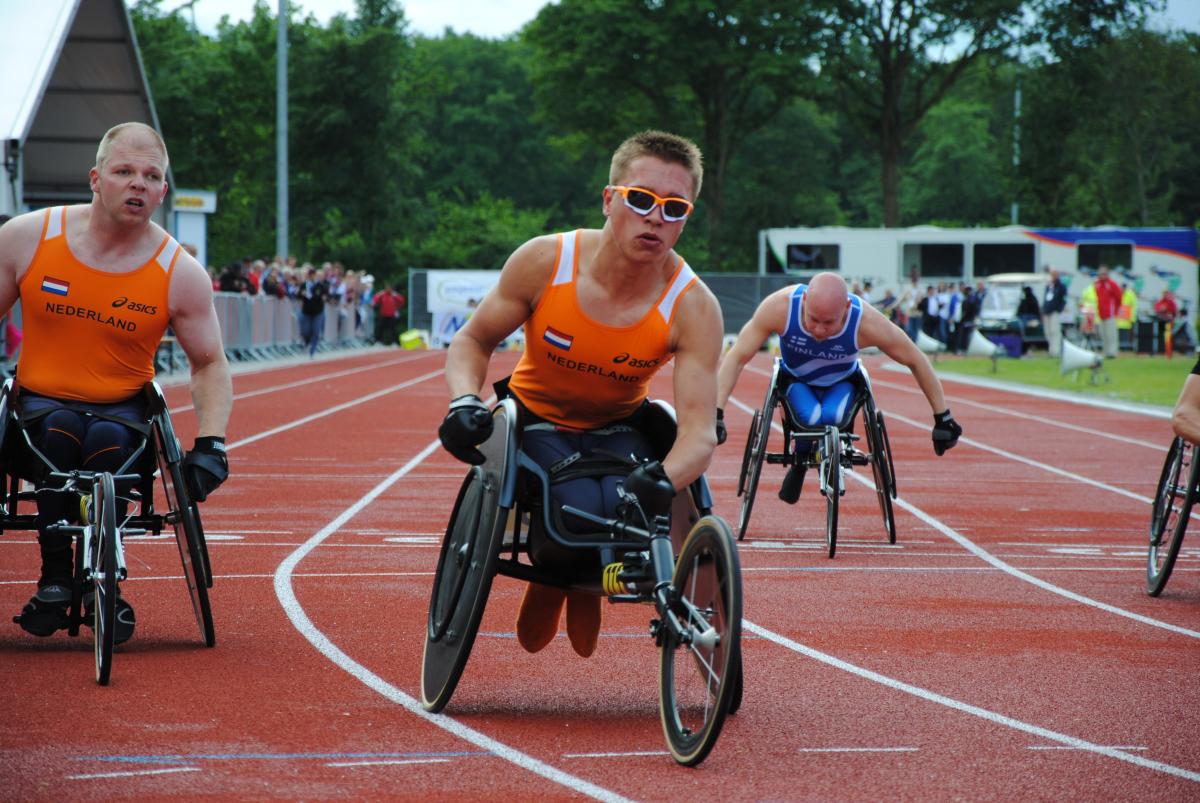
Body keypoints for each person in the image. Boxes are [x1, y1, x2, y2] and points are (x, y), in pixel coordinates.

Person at [437, 130, 723, 659]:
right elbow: (473, 340)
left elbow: (699, 433)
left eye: (675, 207)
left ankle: (570, 576)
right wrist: (463, 400)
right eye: (641, 199)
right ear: (610, 199)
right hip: (534, 418)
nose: (656, 217)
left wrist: (664, 478)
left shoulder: (694, 306)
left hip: (618, 426)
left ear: (688, 216)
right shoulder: (546, 261)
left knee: (624, 504)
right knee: (574, 504)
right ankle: (558, 577)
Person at [0, 122, 232, 643]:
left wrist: (212, 444)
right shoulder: (26, 237)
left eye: (151, 176)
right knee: (58, 429)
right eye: (124, 171)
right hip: (38, 407)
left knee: (107, 443)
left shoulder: (180, 271)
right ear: (95, 178)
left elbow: (210, 363)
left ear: (163, 191)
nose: (138, 184)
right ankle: (56, 574)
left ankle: (109, 577)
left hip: (123, 413)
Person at [716, 272, 962, 503]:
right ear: (804, 302)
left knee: (831, 417)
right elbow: (737, 356)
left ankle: (819, 453)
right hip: (796, 381)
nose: (819, 330)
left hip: (841, 383)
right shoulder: (780, 307)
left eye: (829, 322)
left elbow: (915, 359)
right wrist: (715, 413)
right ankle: (800, 461)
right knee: (812, 418)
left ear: (845, 309)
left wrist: (943, 417)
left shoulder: (865, 321)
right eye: (813, 319)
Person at [1092, 265, 1123, 359]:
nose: (1102, 276)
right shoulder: (1097, 284)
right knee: (1103, 334)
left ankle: (1112, 352)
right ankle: (1106, 352)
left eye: (1104, 274)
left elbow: (1119, 297)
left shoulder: (1111, 284)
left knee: (1111, 334)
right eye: (1100, 274)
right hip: (1101, 313)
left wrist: (1116, 310)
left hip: (1110, 313)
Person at [297, 266, 328, 356]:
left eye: (313, 275)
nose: (312, 276)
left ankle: (313, 348)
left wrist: (324, 297)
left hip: (318, 311)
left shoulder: (320, 286)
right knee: (306, 330)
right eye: (310, 275)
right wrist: (301, 294)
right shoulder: (304, 285)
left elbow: (326, 295)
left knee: (316, 330)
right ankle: (307, 342)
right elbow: (298, 295)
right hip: (306, 311)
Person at [1041, 267, 1067, 356]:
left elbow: (1063, 299)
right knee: (1048, 331)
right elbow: (1046, 298)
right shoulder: (1048, 286)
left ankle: (1056, 350)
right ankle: (1051, 349)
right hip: (1047, 311)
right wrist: (1043, 310)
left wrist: (1059, 309)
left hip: (1054, 311)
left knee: (1055, 330)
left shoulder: (1061, 286)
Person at [1154, 288, 1179, 356]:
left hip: (1168, 323)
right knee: (1160, 337)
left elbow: (1174, 312)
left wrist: (1166, 310)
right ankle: (1160, 351)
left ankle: (1168, 352)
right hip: (1160, 323)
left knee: (1167, 337)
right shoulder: (1160, 302)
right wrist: (1160, 309)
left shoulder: (1171, 302)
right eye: (1164, 293)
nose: (1165, 295)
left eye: (1166, 293)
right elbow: (1156, 309)